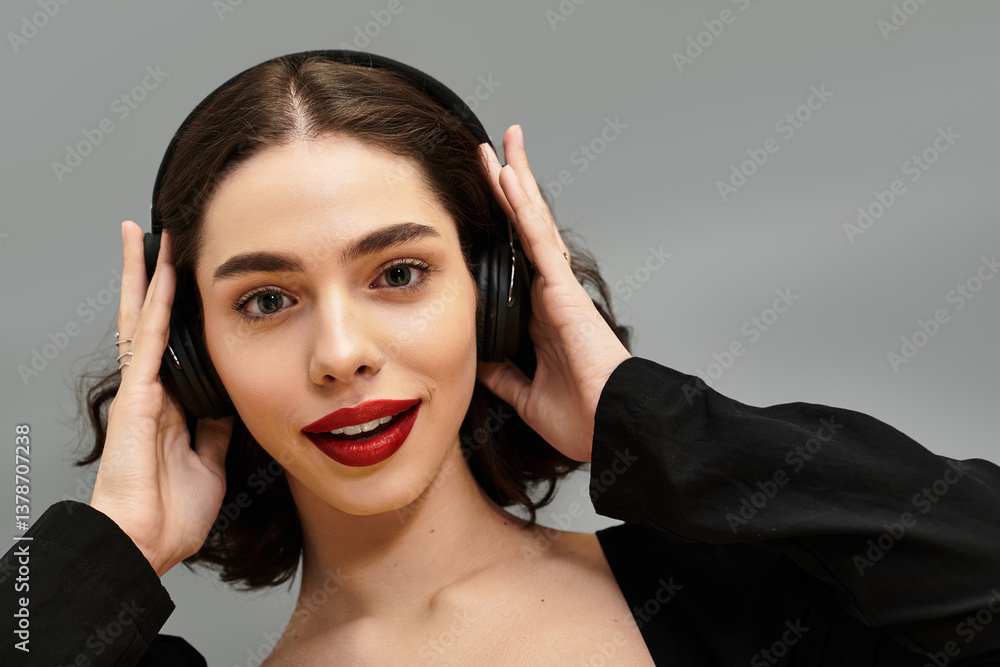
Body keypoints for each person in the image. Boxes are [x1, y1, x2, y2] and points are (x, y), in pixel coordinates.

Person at [3, 51, 1000, 666]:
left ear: (496, 292)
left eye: (398, 273)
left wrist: (650, 419)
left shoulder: (744, 601)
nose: (341, 355)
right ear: (192, 357)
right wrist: (112, 543)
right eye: (266, 300)